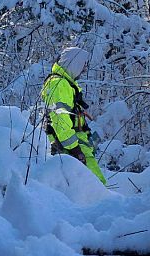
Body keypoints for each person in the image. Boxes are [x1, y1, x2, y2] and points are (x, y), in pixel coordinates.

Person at [41, 47, 107, 184]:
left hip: (74, 143)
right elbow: (61, 120)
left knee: (86, 186)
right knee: (95, 185)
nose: (84, 69)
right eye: (83, 65)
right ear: (74, 64)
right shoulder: (60, 85)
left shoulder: (63, 83)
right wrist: (75, 149)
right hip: (72, 145)